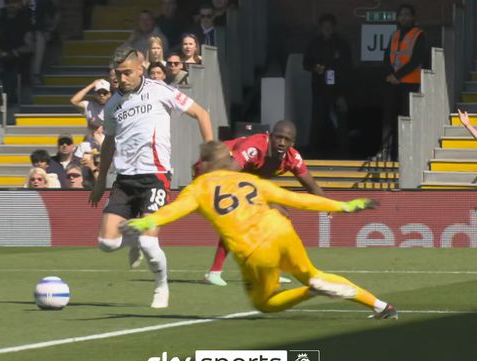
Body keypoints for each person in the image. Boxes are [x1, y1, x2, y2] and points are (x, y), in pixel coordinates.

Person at [121, 140, 397, 319]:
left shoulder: (199, 188)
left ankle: (311, 291)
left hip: (255, 250)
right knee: (314, 273)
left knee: (264, 303)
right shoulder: (250, 181)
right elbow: (299, 199)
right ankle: (380, 305)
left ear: (203, 164)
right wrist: (344, 206)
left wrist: (145, 222)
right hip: (282, 231)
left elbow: (171, 212)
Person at [89, 47, 213, 309]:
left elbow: (201, 114)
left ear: (140, 68)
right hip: (124, 179)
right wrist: (100, 182)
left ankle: (161, 288)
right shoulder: (113, 104)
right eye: (118, 74)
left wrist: (211, 155)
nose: (122, 79)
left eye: (127, 73)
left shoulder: (160, 90)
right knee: (106, 244)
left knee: (149, 242)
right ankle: (132, 236)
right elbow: (109, 143)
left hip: (155, 177)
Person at [196, 120, 327, 287]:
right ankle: (214, 272)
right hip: (211, 172)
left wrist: (327, 206)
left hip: (242, 180)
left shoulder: (293, 158)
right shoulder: (254, 147)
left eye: (287, 139)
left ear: (292, 143)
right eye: (278, 137)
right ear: (270, 136)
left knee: (280, 215)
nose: (281, 142)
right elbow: (228, 173)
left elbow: (311, 185)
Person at [381, 5, 428, 162]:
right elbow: (387, 56)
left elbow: (416, 59)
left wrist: (398, 76)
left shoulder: (419, 35)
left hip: (410, 84)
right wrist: (390, 75)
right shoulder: (394, 35)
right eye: (401, 15)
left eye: (407, 15)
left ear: (413, 17)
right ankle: (386, 154)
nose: (404, 18)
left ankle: (405, 154)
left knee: (406, 119)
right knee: (388, 119)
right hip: (393, 83)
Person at [303, 13, 352, 158]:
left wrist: (343, 93)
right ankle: (312, 151)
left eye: (329, 27)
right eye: (324, 27)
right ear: (320, 28)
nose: (327, 30)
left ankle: (344, 152)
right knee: (317, 117)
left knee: (341, 118)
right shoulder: (314, 43)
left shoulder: (341, 44)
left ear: (334, 27)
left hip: (338, 85)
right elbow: (306, 63)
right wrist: (315, 68)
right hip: (320, 85)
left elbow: (348, 67)